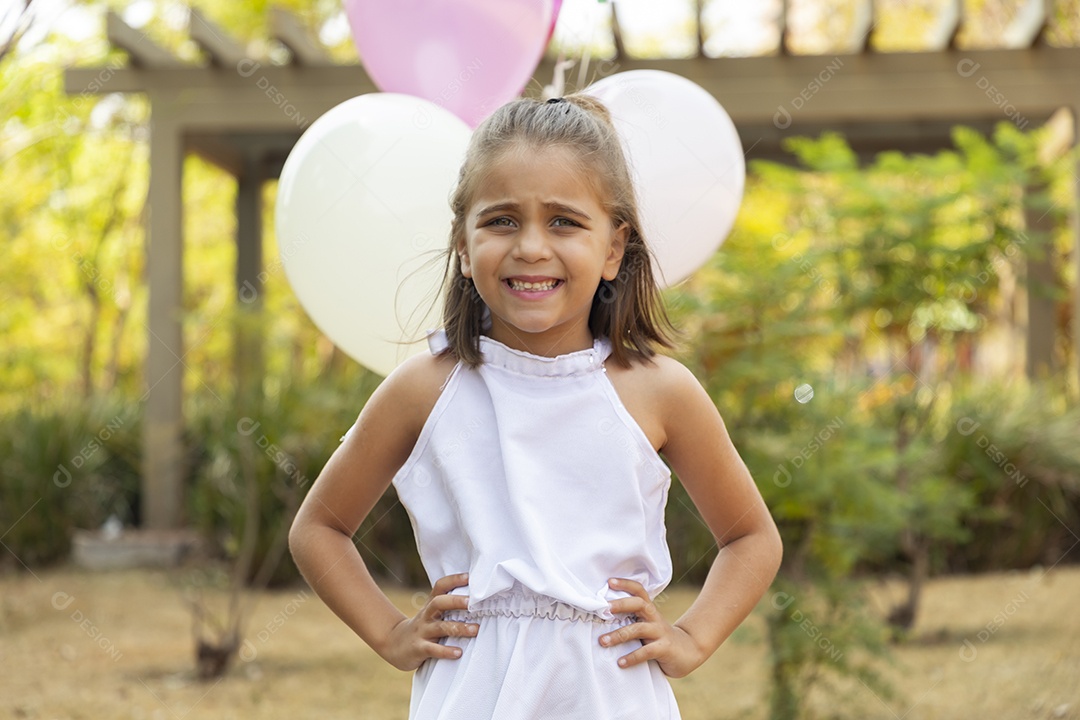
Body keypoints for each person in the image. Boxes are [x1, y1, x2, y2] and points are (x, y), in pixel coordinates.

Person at [288, 93, 783, 719]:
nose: (530, 247)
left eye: (564, 222)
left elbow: (750, 537)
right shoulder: (425, 388)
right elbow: (318, 529)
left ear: (613, 248)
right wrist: (390, 634)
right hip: (471, 696)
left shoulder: (660, 390)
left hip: (611, 695)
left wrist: (692, 637)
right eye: (500, 221)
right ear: (463, 244)